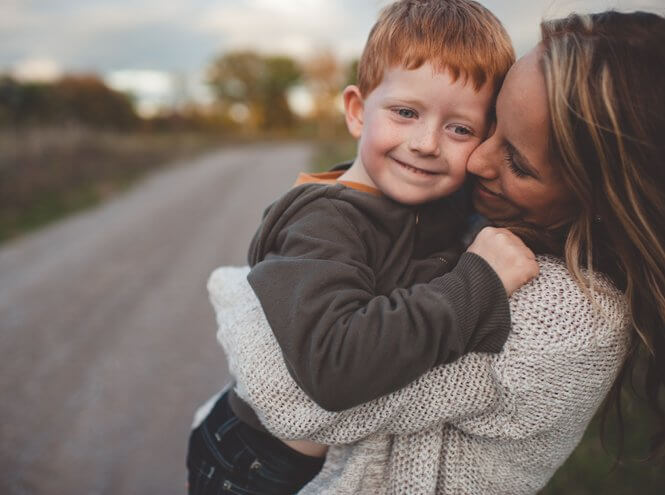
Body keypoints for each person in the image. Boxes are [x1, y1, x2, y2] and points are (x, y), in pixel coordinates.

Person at [206, 8, 665, 494]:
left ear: (600, 195)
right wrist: (236, 290)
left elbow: (304, 393)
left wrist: (242, 297)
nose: (470, 158)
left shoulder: (569, 316)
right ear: (358, 110)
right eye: (405, 112)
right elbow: (327, 370)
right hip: (251, 463)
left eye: (467, 130)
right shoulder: (333, 221)